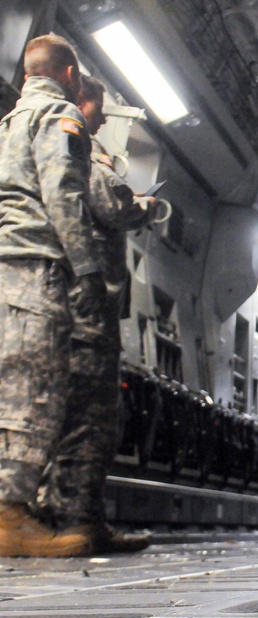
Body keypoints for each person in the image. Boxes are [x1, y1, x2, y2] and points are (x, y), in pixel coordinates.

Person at [34, 75, 156, 553]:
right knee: (92, 416)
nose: (103, 118)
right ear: (79, 99)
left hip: (70, 302)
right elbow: (109, 203)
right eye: (98, 108)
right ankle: (79, 520)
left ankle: (66, 514)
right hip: (88, 307)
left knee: (68, 412)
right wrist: (142, 203)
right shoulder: (77, 148)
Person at [0, 34, 104, 556]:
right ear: (69, 74)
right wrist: (86, 268)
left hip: (5, 265)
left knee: (10, 387)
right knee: (35, 391)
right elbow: (62, 191)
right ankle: (9, 517)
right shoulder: (59, 115)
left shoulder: (9, 122)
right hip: (34, 267)